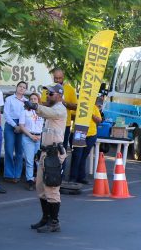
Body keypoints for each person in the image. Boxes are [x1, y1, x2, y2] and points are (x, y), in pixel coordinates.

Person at [29, 84, 68, 233]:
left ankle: (54, 222)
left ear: (59, 95)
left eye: (50, 93)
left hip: (54, 154)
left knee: (51, 188)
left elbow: (46, 111)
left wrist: (34, 105)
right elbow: (43, 113)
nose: (48, 95)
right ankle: (45, 218)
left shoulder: (59, 109)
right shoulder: (51, 109)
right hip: (46, 153)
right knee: (41, 187)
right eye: (47, 93)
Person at [70, 95, 103, 184]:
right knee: (77, 155)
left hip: (91, 134)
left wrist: (91, 115)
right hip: (79, 132)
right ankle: (73, 177)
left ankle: (81, 177)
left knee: (84, 156)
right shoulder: (78, 105)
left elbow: (99, 120)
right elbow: (71, 116)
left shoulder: (94, 107)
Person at [1, 81, 27, 184]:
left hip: (22, 125)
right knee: (8, 149)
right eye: (20, 86)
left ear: (25, 90)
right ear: (16, 87)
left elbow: (27, 115)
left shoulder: (26, 101)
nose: (21, 88)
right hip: (10, 124)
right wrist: (15, 126)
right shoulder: (9, 99)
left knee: (19, 151)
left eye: (24, 87)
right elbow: (6, 115)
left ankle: (17, 175)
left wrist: (21, 126)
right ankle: (8, 174)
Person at [19, 91, 44, 191]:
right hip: (28, 138)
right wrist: (31, 135)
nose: (33, 101)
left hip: (39, 138)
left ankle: (38, 180)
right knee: (29, 161)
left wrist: (40, 136)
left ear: (38, 101)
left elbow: (44, 126)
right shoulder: (24, 112)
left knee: (38, 160)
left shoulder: (41, 112)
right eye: (31, 99)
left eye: (35, 99)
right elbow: (21, 126)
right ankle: (29, 180)